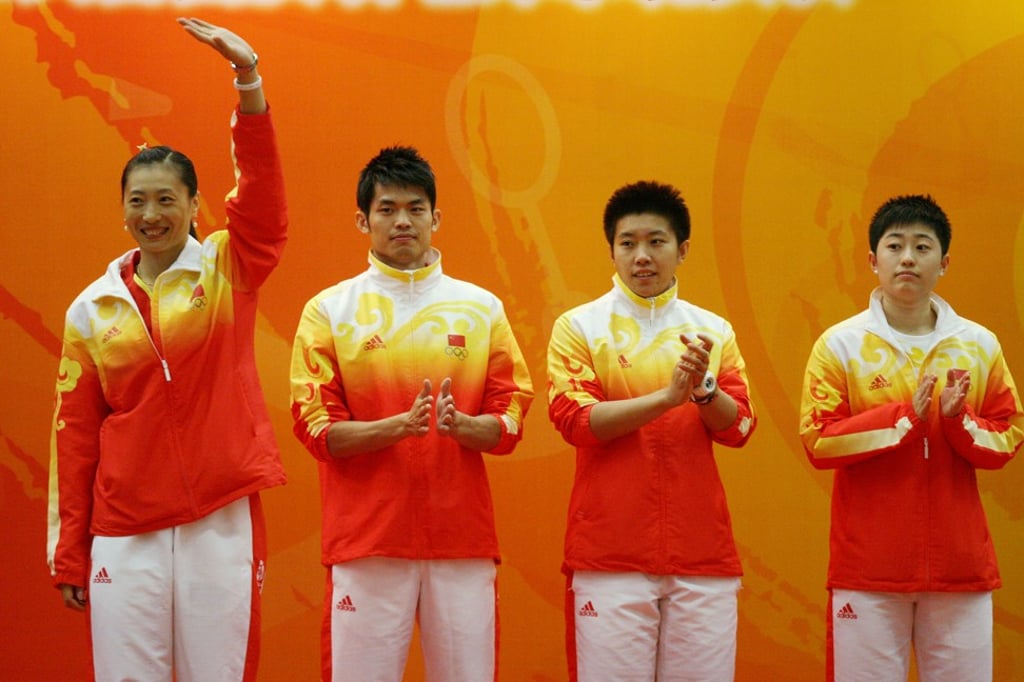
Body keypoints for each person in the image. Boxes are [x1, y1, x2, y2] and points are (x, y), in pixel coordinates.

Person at [46, 18, 287, 681]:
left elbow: (265, 205)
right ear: (122, 210)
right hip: (125, 530)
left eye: (166, 200)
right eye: (138, 202)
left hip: (218, 518)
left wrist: (249, 83)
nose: (151, 214)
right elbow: (76, 437)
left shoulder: (225, 269)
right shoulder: (91, 311)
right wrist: (72, 551)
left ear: (193, 205)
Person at [289, 145, 533, 681]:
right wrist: (395, 428)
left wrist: (469, 429)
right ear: (363, 220)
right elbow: (315, 429)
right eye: (387, 208)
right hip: (368, 542)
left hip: (461, 540)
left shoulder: (481, 307)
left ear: (435, 217)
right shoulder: (330, 311)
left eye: (415, 208)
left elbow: (513, 409)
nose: (402, 220)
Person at [799, 194, 1024, 681]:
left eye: (922, 247)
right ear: (872, 260)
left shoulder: (978, 344)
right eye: (894, 245)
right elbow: (819, 440)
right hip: (868, 570)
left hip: (961, 570)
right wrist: (904, 418)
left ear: (943, 263)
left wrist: (957, 421)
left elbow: (1010, 434)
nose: (907, 258)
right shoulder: (839, 344)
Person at [546, 180, 757, 681]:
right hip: (610, 557)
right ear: (612, 251)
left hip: (702, 558)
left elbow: (741, 427)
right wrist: (666, 398)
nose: (642, 256)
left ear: (681, 250)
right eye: (628, 243)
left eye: (656, 242)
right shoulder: (580, 327)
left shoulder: (712, 332)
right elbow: (576, 421)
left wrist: (704, 390)